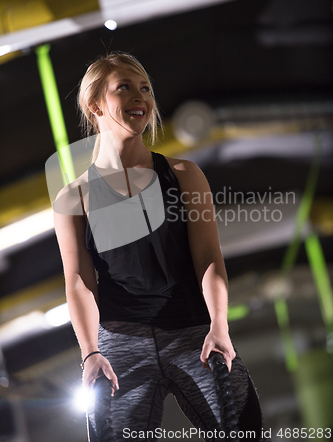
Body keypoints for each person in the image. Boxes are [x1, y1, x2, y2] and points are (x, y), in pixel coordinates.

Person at [53, 52, 269, 442]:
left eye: (146, 88)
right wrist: (90, 352)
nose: (141, 97)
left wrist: (219, 324)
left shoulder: (184, 175)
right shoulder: (73, 198)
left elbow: (209, 260)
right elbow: (79, 283)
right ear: (95, 104)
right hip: (121, 342)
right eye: (125, 88)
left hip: (195, 334)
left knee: (245, 431)